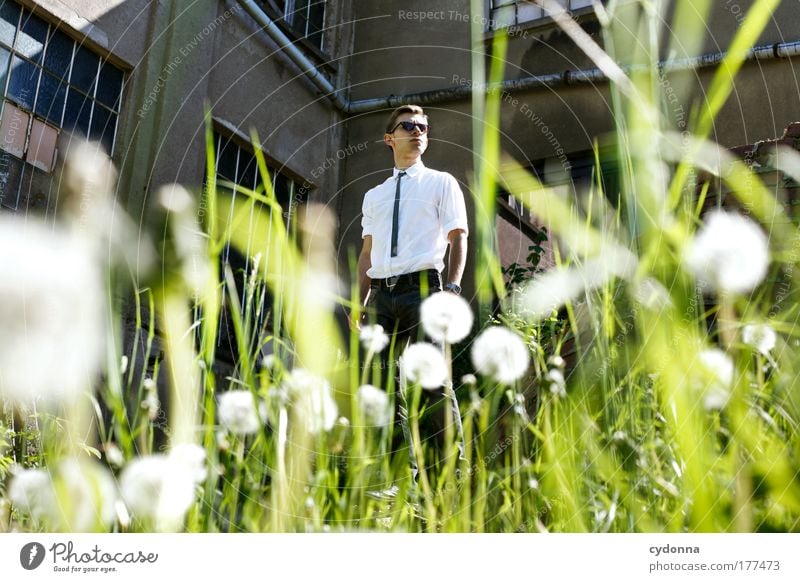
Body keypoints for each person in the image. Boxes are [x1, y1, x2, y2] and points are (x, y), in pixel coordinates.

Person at [356, 104, 468, 482]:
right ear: (391, 138)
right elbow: (367, 253)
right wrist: (361, 300)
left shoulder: (441, 182)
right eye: (409, 126)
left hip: (423, 289)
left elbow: (458, 236)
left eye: (423, 126)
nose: (418, 131)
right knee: (379, 385)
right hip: (382, 298)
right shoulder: (374, 196)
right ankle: (392, 480)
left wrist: (452, 287)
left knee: (430, 383)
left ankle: (447, 480)